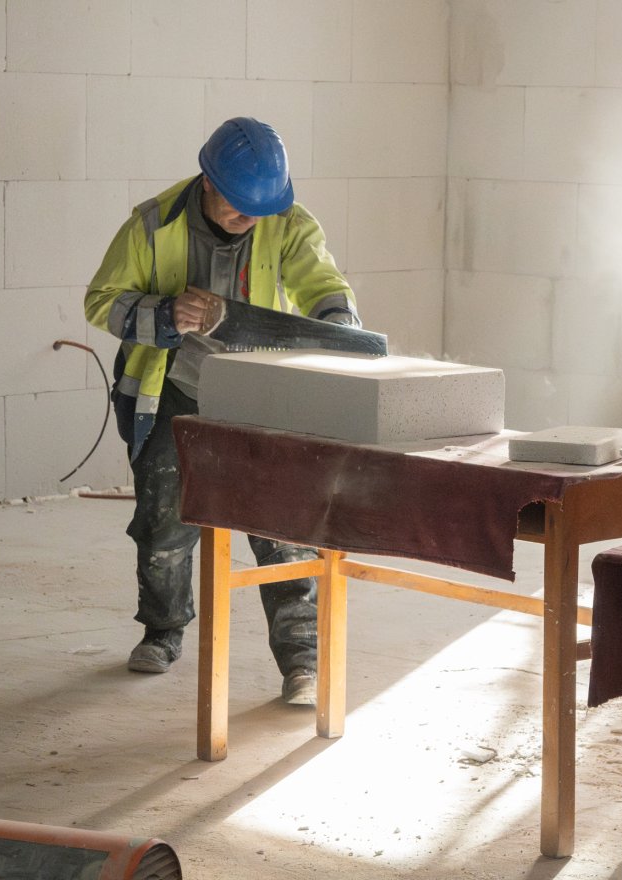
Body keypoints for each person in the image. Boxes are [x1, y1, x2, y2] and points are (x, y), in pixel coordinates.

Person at [85, 117, 361, 705]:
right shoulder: (153, 224)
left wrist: (338, 326)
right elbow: (100, 301)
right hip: (174, 391)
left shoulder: (286, 221)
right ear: (207, 182)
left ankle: (302, 661)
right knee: (165, 519)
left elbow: (322, 282)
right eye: (239, 208)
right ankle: (162, 631)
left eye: (262, 209)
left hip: (260, 392)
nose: (251, 220)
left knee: (285, 525)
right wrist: (163, 314)